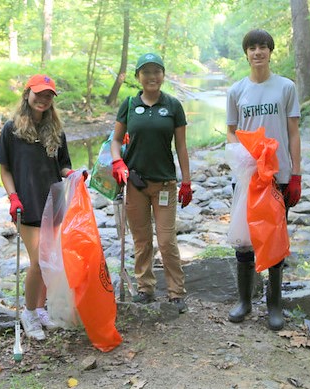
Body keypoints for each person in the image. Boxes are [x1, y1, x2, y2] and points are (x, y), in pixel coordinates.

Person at [225, 29, 301, 329]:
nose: (258, 52)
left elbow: (293, 131)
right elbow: (231, 130)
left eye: (263, 47)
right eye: (253, 48)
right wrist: (240, 155)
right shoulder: (236, 91)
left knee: (275, 238)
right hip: (248, 175)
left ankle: (274, 305)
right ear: (246, 53)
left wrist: (295, 173)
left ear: (271, 51)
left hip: (278, 175)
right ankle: (244, 301)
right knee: (244, 240)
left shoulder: (285, 87)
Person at [0, 74, 78, 341]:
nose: (43, 100)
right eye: (39, 94)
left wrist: (73, 174)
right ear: (27, 94)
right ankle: (28, 313)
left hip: (53, 203)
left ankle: (41, 309)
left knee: (49, 261)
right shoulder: (11, 129)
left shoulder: (56, 130)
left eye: (48, 96)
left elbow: (62, 165)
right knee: (38, 261)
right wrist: (13, 198)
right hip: (26, 206)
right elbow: (5, 170)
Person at [110, 53, 192, 314]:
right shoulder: (130, 104)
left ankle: (176, 292)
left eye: (157, 71)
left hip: (165, 184)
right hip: (135, 183)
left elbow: (181, 146)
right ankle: (145, 288)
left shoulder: (173, 105)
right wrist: (117, 163)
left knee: (167, 240)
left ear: (163, 75)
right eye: (146, 72)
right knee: (142, 240)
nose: (152, 76)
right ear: (138, 77)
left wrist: (187, 181)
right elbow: (115, 140)